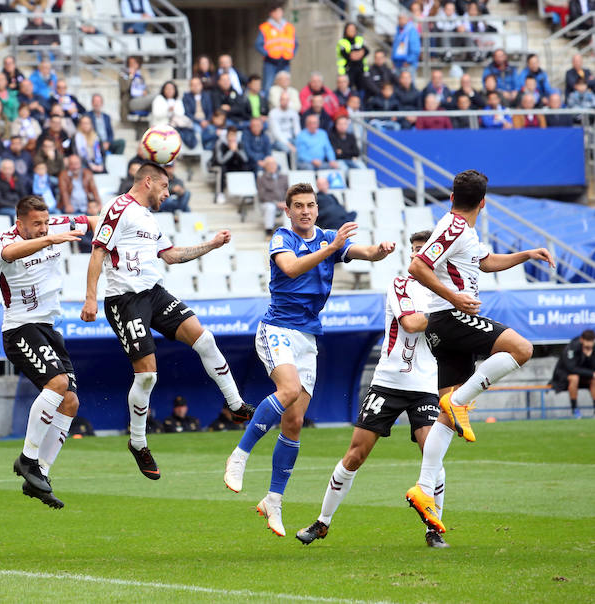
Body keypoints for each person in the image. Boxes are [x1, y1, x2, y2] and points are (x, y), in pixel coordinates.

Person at [222, 182, 396, 537]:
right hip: (277, 329)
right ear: (287, 210)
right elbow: (290, 269)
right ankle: (239, 456)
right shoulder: (281, 238)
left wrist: (380, 250)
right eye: (298, 205)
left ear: (317, 208)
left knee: (295, 423)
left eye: (311, 205)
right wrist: (331, 248)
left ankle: (273, 499)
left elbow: (363, 252)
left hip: (308, 337)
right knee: (287, 390)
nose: (305, 211)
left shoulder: (328, 237)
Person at [404, 170, 555, 535]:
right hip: (450, 316)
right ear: (484, 202)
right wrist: (454, 297)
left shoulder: (464, 232)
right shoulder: (453, 227)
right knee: (521, 348)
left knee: (445, 420)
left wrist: (526, 254)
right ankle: (461, 402)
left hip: (448, 320)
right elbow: (416, 265)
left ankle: (424, 491)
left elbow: (485, 262)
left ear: (452, 196)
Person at [80, 163, 255, 478]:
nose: (168, 193)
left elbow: (171, 255)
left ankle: (236, 404)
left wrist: (212, 245)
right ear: (148, 182)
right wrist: (90, 297)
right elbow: (97, 252)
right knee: (147, 376)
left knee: (204, 338)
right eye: (165, 187)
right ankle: (138, 442)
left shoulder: (149, 219)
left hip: (154, 293)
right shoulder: (118, 208)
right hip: (124, 299)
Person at [296, 230, 451, 548]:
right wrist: (450, 314)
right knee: (355, 455)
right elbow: (410, 324)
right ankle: (322, 522)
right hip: (388, 384)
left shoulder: (447, 292)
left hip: (424, 386)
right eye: (416, 251)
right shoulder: (401, 285)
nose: (420, 256)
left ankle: (433, 530)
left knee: (431, 455)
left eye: (427, 251)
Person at [0, 196, 98, 507]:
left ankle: (40, 474)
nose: (42, 229)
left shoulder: (57, 225)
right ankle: (28, 459)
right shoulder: (6, 240)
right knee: (58, 383)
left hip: (49, 328)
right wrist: (50, 238)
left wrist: (105, 242)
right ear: (20, 223)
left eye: (45, 222)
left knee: (70, 401)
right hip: (20, 327)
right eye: (35, 224)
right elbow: (9, 253)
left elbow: (93, 221)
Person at [550, 329, 595, 419]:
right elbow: (571, 368)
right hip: (564, 377)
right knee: (575, 378)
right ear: (582, 340)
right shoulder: (572, 347)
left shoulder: (593, 348)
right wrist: (591, 373)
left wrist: (589, 357)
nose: (589, 348)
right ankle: (575, 409)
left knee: (594, 379)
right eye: (587, 346)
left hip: (584, 377)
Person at [255, 3, 298, 95]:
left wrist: (292, 54)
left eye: (279, 11)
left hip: (285, 61)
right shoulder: (265, 27)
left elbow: (295, 43)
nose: (278, 14)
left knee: (285, 86)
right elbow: (258, 44)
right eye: (275, 12)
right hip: (271, 62)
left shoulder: (289, 27)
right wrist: (268, 55)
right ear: (271, 13)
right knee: (268, 86)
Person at [213, 127, 249, 203]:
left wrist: (237, 151)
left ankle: (245, 193)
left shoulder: (239, 143)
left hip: (233, 165)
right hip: (218, 165)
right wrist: (231, 151)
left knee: (245, 167)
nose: (232, 138)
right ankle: (220, 194)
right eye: (230, 135)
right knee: (221, 169)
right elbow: (220, 160)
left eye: (234, 135)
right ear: (227, 135)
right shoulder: (220, 143)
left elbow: (245, 159)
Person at [257, 155, 288, 236]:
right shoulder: (261, 178)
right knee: (270, 207)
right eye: (269, 164)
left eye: (273, 164)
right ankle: (268, 231)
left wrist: (286, 202)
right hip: (268, 203)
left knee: (291, 207)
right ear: (265, 166)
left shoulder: (284, 177)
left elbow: (289, 192)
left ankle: (290, 233)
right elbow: (262, 195)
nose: (272, 166)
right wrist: (277, 203)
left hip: (283, 202)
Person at [336, 22, 368, 90]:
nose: (352, 31)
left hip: (360, 69)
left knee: (362, 89)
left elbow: (366, 51)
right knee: (348, 90)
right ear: (346, 30)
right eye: (350, 29)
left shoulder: (359, 39)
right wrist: (359, 53)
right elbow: (348, 55)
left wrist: (356, 54)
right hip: (348, 70)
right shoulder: (342, 42)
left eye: (353, 29)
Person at [268, 91, 299, 156]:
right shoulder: (273, 113)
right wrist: (289, 145)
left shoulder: (293, 112)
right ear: (280, 100)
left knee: (303, 148)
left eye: (287, 99)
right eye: (283, 99)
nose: (285, 102)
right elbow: (276, 133)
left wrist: (299, 141)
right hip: (277, 141)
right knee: (288, 150)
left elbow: (297, 129)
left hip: (291, 139)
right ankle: (289, 166)